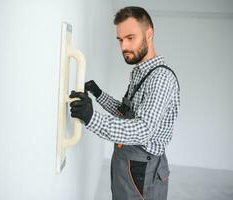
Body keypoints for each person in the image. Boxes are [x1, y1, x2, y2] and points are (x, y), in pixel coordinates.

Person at [69, 6, 180, 200]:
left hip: (144, 169)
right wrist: (98, 94)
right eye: (120, 40)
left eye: (130, 38)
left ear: (149, 34)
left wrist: (92, 118)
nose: (123, 47)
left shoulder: (160, 77)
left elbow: (143, 129)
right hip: (130, 161)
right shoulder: (141, 73)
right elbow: (125, 114)